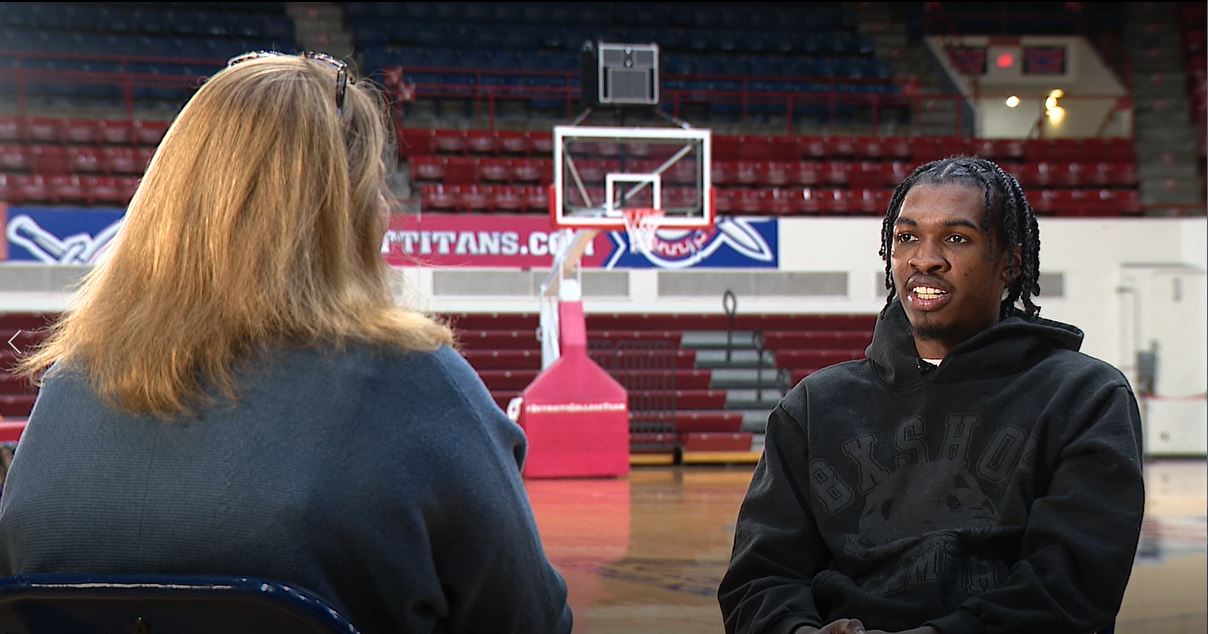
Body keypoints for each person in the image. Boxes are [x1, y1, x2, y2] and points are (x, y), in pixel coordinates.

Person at [0, 51, 572, 634]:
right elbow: (531, 620)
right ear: (342, 220)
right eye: (375, 187)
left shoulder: (64, 390)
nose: (387, 212)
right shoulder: (418, 386)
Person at [718, 157, 1144, 634]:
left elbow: (1073, 589)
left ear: (1011, 262)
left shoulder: (1085, 397)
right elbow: (760, 578)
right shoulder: (814, 406)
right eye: (907, 237)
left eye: (956, 238)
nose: (925, 258)